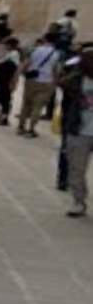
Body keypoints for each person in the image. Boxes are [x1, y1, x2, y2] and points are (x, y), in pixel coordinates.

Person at [63, 43, 90, 218]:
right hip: (79, 129)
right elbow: (61, 81)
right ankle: (79, 201)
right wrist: (74, 71)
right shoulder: (77, 79)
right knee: (76, 168)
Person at [18, 31, 62, 136]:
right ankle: (31, 129)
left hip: (31, 79)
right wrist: (55, 83)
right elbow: (56, 70)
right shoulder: (56, 54)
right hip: (46, 81)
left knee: (26, 104)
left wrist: (23, 74)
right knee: (38, 106)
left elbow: (26, 63)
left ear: (44, 39)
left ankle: (21, 127)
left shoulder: (34, 50)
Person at [0, 36, 22, 125]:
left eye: (6, 44)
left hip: (6, 80)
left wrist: (13, 81)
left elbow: (14, 69)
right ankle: (1, 114)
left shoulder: (14, 54)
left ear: (10, 45)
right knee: (2, 98)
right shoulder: (10, 53)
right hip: (2, 80)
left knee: (5, 99)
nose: (5, 46)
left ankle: (4, 117)